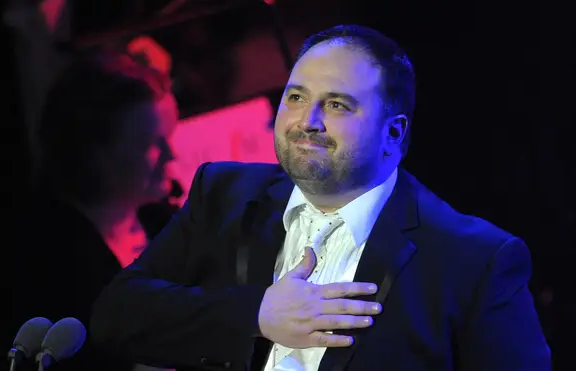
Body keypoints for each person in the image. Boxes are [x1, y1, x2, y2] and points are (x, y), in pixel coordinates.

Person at [90, 25, 550, 371]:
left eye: (336, 105)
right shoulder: (222, 194)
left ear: (393, 134)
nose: (306, 120)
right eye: (295, 97)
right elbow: (115, 315)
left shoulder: (474, 259)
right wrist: (256, 315)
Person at [0, 50, 178, 370]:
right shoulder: (54, 271)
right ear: (97, 156)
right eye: (152, 142)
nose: (171, 154)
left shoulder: (156, 219)